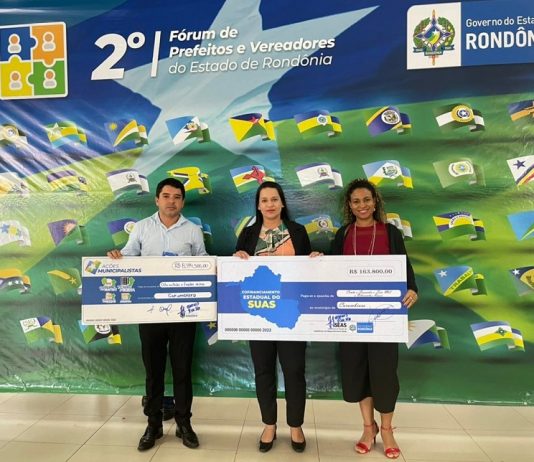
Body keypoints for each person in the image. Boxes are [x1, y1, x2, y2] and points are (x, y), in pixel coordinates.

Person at [107, 177, 207, 451]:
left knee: (182, 370)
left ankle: (184, 423)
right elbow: (128, 256)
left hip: (183, 313)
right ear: (157, 199)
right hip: (150, 312)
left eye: (177, 197)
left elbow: (202, 261)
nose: (171, 201)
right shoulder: (141, 227)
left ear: (182, 202)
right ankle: (153, 425)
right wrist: (117, 257)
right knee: (153, 371)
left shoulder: (193, 230)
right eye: (166, 196)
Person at [331, 178, 418, 460]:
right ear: (349, 205)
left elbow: (404, 266)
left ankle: (388, 429)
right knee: (358, 371)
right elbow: (329, 271)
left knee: (384, 374)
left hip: (385, 317)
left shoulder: (390, 232)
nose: (362, 206)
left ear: (375, 201)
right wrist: (318, 260)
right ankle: (369, 429)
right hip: (351, 316)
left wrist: (412, 289)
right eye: (356, 201)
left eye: (366, 200)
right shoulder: (343, 234)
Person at [234, 181, 321, 453]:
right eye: (264, 200)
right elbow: (237, 273)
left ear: (282, 203)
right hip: (258, 315)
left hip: (291, 315)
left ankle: (295, 425)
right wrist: (237, 257)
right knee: (263, 371)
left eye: (274, 199)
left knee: (294, 370)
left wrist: (315, 259)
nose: (270, 204)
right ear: (258, 206)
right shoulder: (248, 233)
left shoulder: (297, 231)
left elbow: (308, 271)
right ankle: (269, 424)